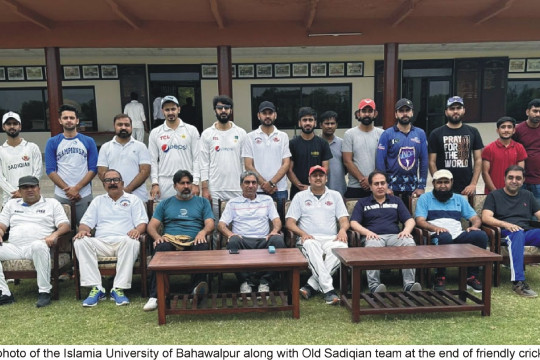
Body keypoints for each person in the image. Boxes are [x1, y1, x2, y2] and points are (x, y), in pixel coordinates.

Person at [73, 169, 148, 307]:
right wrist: (83, 231)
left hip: (124, 241)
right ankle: (96, 288)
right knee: (80, 241)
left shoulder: (133, 200)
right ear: (103, 184)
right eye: (108, 180)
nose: (112, 183)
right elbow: (85, 224)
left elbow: (142, 223)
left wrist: (137, 230)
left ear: (122, 183)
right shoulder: (98, 201)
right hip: (102, 243)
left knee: (132, 241)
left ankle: (118, 288)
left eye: (116, 180)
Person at [144, 170, 214, 311]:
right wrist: (158, 237)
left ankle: (196, 291)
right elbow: (151, 226)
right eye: (182, 183)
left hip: (194, 240)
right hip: (171, 240)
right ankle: (155, 296)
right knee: (161, 247)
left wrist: (203, 232)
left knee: (202, 246)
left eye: (188, 183)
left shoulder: (202, 202)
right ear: (175, 185)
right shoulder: (165, 203)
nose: (186, 186)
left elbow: (210, 223)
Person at [0, 176, 70, 307]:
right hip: (14, 248)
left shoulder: (52, 203)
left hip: (38, 247)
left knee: (38, 245)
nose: (29, 190)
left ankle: (44, 292)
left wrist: (54, 235)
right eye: (25, 187)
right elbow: (2, 226)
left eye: (33, 187)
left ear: (39, 188)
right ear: (19, 191)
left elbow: (65, 225)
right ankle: (4, 294)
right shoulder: (11, 204)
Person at [415, 169, 488, 292]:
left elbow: (475, 218)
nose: (443, 185)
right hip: (436, 234)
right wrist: (435, 228)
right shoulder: (425, 198)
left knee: (480, 236)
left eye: (446, 182)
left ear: (452, 182)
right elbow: (420, 221)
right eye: (439, 182)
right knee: (444, 237)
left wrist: (475, 226)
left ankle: (471, 277)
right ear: (433, 183)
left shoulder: (459, 199)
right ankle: (440, 276)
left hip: (458, 234)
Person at [285, 165, 349, 305]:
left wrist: (343, 230)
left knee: (342, 246)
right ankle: (328, 291)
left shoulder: (335, 195)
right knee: (310, 244)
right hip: (309, 238)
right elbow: (290, 223)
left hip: (331, 238)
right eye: (315, 175)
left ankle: (311, 285)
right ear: (309, 179)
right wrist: (303, 233)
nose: (318, 178)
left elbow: (344, 219)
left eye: (321, 175)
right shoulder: (300, 196)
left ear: (326, 178)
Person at [350, 170, 421, 293]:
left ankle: (409, 284)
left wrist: (406, 230)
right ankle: (374, 286)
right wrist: (368, 233)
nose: (380, 186)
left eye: (383, 183)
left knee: (409, 242)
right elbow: (353, 223)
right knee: (372, 246)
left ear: (387, 185)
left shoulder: (396, 201)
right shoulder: (363, 203)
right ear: (371, 187)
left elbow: (410, 220)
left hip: (395, 236)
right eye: (376, 184)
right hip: (374, 237)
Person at [218, 171, 285, 293]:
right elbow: (221, 224)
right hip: (242, 240)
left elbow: (277, 220)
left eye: (254, 182)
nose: (250, 185)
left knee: (278, 239)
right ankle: (245, 282)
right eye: (247, 182)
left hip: (264, 239)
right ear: (241, 185)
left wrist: (274, 231)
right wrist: (230, 234)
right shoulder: (233, 203)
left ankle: (266, 282)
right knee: (233, 241)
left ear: (257, 185)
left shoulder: (267, 200)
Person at [482, 165, 540, 297]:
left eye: (518, 178)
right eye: (511, 177)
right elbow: (485, 217)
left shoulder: (528, 195)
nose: (514, 181)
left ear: (523, 180)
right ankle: (518, 282)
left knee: (521, 233)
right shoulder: (494, 195)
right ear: (505, 179)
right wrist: (506, 224)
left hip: (526, 232)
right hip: (504, 233)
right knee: (517, 233)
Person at [200, 95, 247, 246]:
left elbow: (244, 163)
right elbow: (203, 162)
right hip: (215, 189)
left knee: (236, 226)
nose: (223, 111)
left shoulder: (241, 133)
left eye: (226, 108)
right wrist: (205, 188)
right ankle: (215, 262)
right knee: (215, 228)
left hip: (236, 189)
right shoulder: (207, 134)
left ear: (231, 110)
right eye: (220, 108)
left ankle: (236, 259)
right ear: (215, 110)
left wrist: (245, 186)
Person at [45, 104, 98, 224]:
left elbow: (93, 168)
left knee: (87, 229)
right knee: (63, 230)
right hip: (62, 194)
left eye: (72, 118)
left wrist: (77, 188)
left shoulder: (88, 141)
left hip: (84, 194)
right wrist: (67, 190)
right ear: (60, 121)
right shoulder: (52, 142)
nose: (69, 120)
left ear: (77, 120)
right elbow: (50, 170)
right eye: (65, 118)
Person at [242, 101, 291, 221]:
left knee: (281, 225)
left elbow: (286, 163)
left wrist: (272, 183)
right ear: (259, 115)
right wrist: (265, 184)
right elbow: (248, 165)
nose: (267, 116)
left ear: (275, 115)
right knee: (258, 223)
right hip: (257, 189)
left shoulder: (283, 136)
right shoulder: (250, 137)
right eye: (264, 113)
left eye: (270, 113)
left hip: (279, 190)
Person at [375, 98, 428, 206]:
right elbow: (380, 162)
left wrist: (421, 186)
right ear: (396, 114)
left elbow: (424, 161)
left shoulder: (420, 133)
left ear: (412, 113)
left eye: (407, 110)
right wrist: (385, 186)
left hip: (412, 188)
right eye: (401, 111)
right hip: (392, 189)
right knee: (391, 220)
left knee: (410, 220)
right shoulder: (387, 134)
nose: (404, 114)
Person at [428, 96, 484, 195]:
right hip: (444, 188)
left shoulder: (473, 132)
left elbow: (478, 159)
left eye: (458, 108)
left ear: (464, 110)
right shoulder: (436, 133)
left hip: (467, 188)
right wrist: (439, 183)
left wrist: (473, 184)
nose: (455, 111)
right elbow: (431, 162)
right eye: (452, 109)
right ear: (446, 112)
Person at [148, 95, 200, 201]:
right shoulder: (155, 133)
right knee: (166, 215)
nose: (170, 112)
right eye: (167, 110)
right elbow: (152, 160)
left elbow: (197, 158)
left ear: (179, 109)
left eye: (173, 109)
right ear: (162, 111)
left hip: (186, 182)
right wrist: (155, 183)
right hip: (164, 181)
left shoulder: (191, 130)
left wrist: (195, 182)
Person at [97, 114, 151, 202]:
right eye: (120, 125)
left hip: (138, 198)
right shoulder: (105, 147)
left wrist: (127, 190)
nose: (123, 127)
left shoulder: (141, 146)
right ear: (114, 126)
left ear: (131, 127)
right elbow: (102, 172)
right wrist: (117, 190)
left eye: (127, 125)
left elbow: (145, 172)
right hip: (113, 198)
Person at [287, 107, 332, 199]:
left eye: (310, 120)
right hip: (297, 191)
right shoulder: (292, 144)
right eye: (304, 120)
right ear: (299, 123)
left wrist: (313, 186)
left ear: (315, 123)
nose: (307, 123)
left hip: (318, 190)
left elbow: (325, 168)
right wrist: (300, 186)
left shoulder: (323, 143)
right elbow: (289, 170)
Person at [343, 99, 384, 198]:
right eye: (364, 111)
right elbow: (347, 161)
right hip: (355, 186)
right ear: (358, 114)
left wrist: (371, 180)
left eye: (370, 111)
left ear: (375, 114)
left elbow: (384, 160)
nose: (367, 114)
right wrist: (362, 179)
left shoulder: (382, 134)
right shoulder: (349, 134)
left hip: (377, 186)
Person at [0, 111, 42, 206]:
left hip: (31, 199)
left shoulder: (32, 147)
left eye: (15, 123)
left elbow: (37, 172)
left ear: (20, 126)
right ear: (3, 127)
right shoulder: (1, 151)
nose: (12, 126)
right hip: (9, 201)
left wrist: (25, 191)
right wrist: (16, 192)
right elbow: (0, 178)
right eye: (8, 124)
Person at [482, 116, 527, 194]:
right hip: (493, 193)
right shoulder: (488, 148)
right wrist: (495, 192)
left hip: (513, 193)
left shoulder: (520, 148)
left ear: (514, 130)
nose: (506, 130)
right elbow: (485, 173)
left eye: (509, 127)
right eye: (503, 127)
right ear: (497, 130)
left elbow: (520, 173)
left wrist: (513, 191)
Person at [513, 99, 540, 201]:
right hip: (521, 179)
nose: (538, 114)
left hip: (538, 181)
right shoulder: (518, 130)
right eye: (535, 111)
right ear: (527, 112)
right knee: (521, 210)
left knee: (537, 213)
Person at [320, 110, 347, 196]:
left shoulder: (342, 143)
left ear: (336, 125)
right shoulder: (316, 143)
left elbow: (346, 165)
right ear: (320, 125)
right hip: (320, 189)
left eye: (332, 123)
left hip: (339, 190)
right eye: (327, 123)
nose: (330, 126)